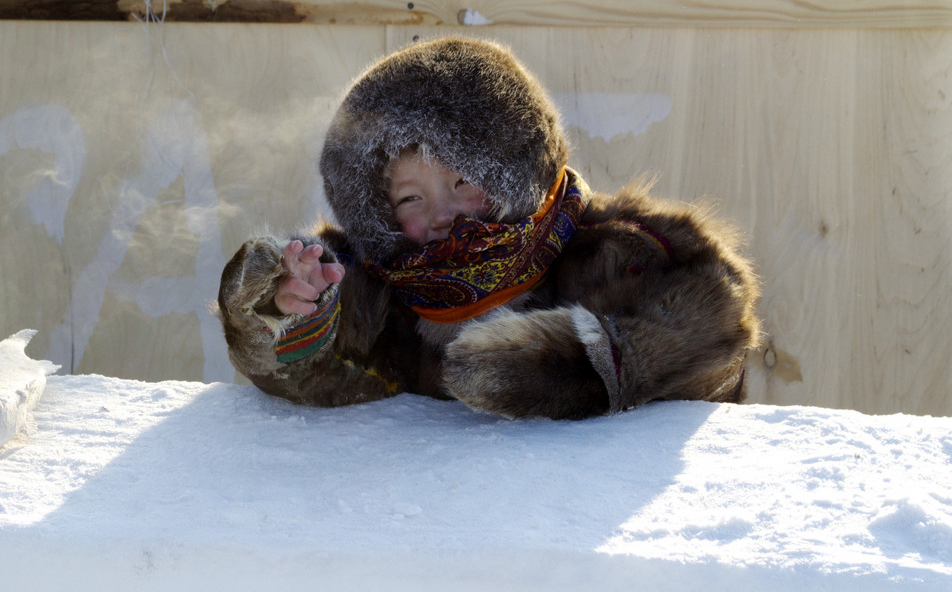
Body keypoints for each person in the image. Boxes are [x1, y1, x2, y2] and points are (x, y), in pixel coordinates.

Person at [217, 37, 761, 419]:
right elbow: (325, 378)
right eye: (411, 197)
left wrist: (571, 367)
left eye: (462, 182)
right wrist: (286, 314)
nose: (441, 213)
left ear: (511, 167)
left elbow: (713, 344)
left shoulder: (622, 249)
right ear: (379, 213)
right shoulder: (381, 290)